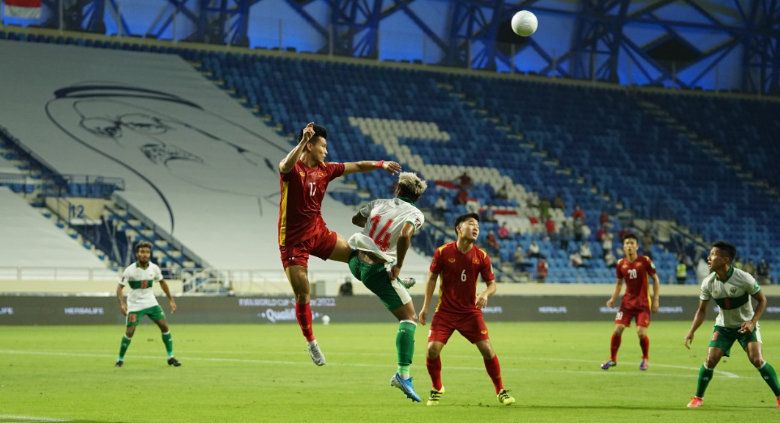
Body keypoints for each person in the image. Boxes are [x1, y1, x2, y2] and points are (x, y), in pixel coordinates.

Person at [278, 122, 401, 366]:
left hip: (318, 232)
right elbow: (284, 165)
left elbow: (355, 166)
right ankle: (311, 342)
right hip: (293, 242)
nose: (326, 151)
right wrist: (302, 140)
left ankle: (390, 274)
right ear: (310, 146)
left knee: (357, 255)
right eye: (322, 146)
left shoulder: (326, 169)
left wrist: (381, 164)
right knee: (303, 294)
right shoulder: (294, 170)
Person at [418, 213, 515, 406]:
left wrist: (486, 294)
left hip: (470, 312)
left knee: (487, 350)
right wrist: (425, 308)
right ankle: (437, 387)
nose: (476, 227)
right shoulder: (442, 252)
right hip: (445, 311)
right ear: (458, 228)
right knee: (432, 350)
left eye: (478, 225)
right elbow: (431, 279)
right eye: (471, 224)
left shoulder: (481, 256)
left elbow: (492, 284)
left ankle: (501, 391)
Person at [347, 172, 428, 402]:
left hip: (355, 262)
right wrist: (400, 265)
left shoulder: (378, 203)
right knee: (409, 318)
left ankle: (400, 283)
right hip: (377, 270)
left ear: (397, 189)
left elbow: (356, 219)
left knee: (392, 281)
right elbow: (404, 235)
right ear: (417, 196)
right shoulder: (415, 214)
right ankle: (403, 375)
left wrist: (375, 223)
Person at [683, 241, 780, 409]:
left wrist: (752, 322)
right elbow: (701, 310)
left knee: (756, 359)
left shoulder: (744, 278)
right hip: (724, 326)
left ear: (726, 259)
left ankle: (779, 396)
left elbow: (762, 301)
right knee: (710, 359)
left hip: (746, 325)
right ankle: (698, 397)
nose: (709, 258)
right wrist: (691, 331)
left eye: (713, 254)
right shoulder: (708, 282)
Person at [115, 241, 180, 368]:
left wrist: (171, 299)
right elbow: (119, 288)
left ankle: (170, 357)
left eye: (147, 252)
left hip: (151, 302)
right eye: (142, 252)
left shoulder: (154, 268)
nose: (145, 254)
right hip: (135, 305)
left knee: (164, 327)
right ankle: (120, 359)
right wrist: (122, 303)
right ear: (137, 254)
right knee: (130, 332)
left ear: (150, 254)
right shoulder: (129, 270)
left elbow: (162, 283)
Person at [601, 234, 661, 371]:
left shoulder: (645, 261)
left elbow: (656, 279)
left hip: (643, 304)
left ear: (637, 246)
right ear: (623, 247)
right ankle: (612, 359)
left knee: (641, 332)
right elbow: (619, 283)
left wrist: (656, 299)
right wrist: (613, 299)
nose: (629, 245)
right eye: (626, 243)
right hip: (626, 304)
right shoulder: (620, 263)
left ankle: (645, 359)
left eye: (632, 243)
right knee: (617, 329)